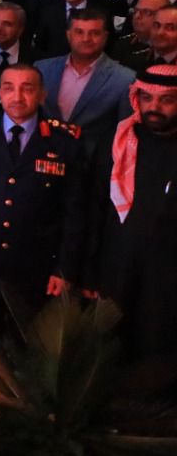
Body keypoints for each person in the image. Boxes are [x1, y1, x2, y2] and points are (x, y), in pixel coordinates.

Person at [0, 64, 87, 329]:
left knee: (29, 342)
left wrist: (64, 269)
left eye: (27, 89)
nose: (17, 97)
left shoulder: (65, 142)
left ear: (42, 95)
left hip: (35, 266)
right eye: (8, 88)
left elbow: (75, 213)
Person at [81, 63, 177, 367]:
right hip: (116, 267)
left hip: (166, 275)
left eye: (166, 100)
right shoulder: (118, 140)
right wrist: (89, 271)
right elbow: (95, 208)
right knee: (108, 352)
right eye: (146, 98)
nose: (154, 107)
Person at [37, 8, 136, 156]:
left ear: (105, 37)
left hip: (93, 162)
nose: (86, 39)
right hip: (43, 156)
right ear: (68, 35)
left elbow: (125, 133)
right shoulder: (42, 69)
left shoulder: (125, 79)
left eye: (94, 33)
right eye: (79, 32)